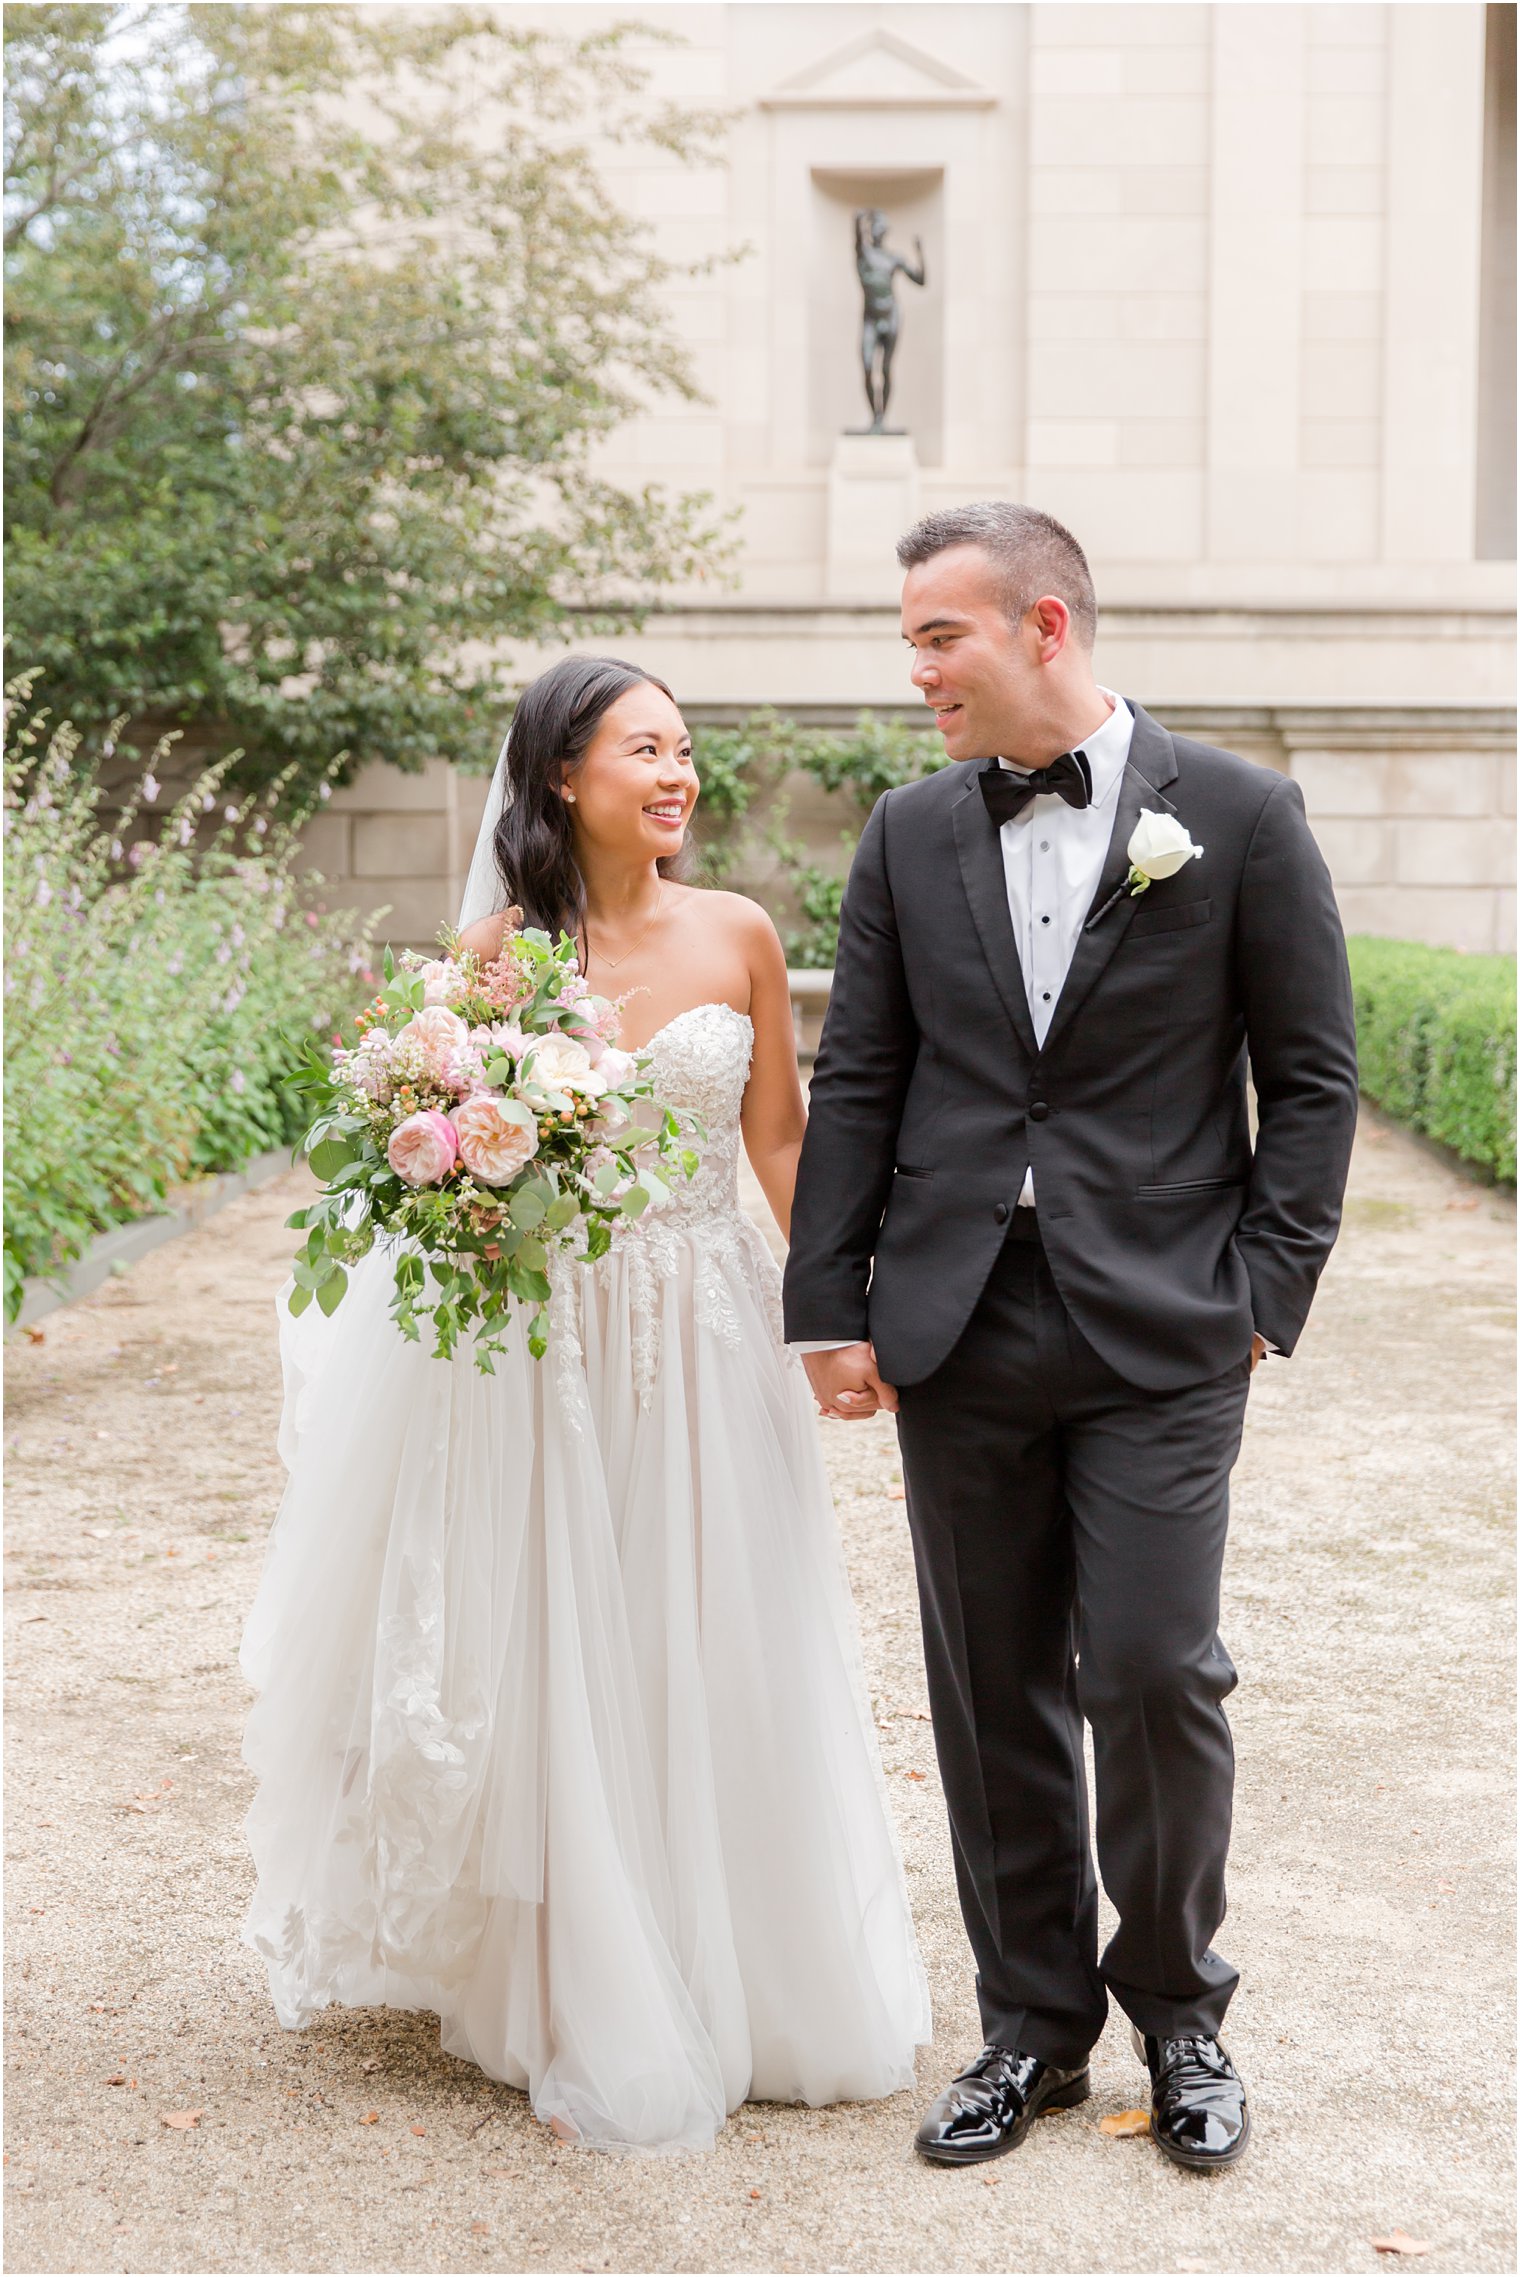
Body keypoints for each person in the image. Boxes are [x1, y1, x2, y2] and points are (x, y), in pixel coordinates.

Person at [239, 654, 930, 2154]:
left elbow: (785, 1147)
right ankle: (571, 1971)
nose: (678, 775)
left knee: (718, 1614)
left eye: (685, 749)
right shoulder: (493, 953)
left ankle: (746, 1963)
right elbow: (438, 1154)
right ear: (563, 774)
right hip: (543, 1342)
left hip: (706, 1322)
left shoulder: (740, 931)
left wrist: (834, 1325)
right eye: (645, 750)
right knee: (568, 1626)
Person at [783, 502, 1359, 2172]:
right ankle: (1030, 2028)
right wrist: (833, 1300)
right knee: (991, 1683)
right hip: (958, 1318)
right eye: (909, 642)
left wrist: (1267, 1286)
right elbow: (866, 1081)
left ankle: (1180, 2010)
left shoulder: (1239, 815)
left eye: (936, 637)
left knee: (1160, 1668)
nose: (917, 673)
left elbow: (1312, 1076)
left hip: (1167, 1323)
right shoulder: (905, 834)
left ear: (1044, 626)